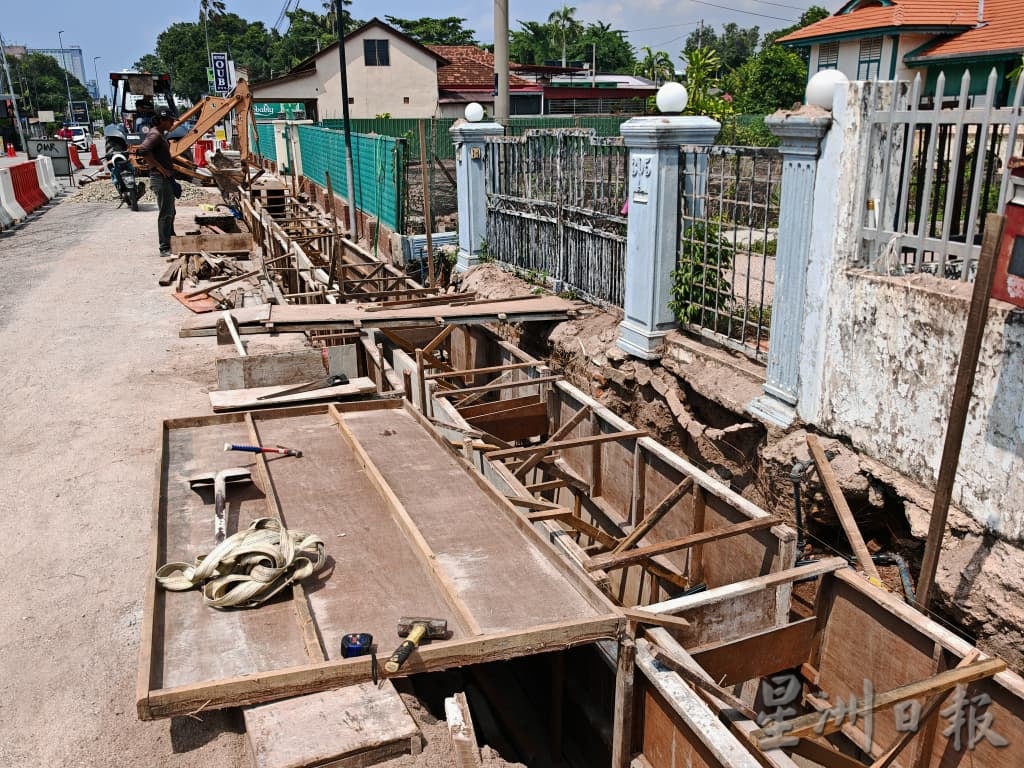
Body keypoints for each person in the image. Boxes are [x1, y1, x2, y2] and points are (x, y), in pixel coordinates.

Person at [136, 108, 178, 256]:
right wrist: (161, 168)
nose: (172, 123)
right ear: (161, 120)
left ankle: (171, 239)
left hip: (165, 178)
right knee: (165, 213)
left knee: (171, 211)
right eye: (170, 120)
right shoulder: (155, 135)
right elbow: (142, 151)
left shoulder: (160, 134)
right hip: (159, 179)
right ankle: (164, 247)